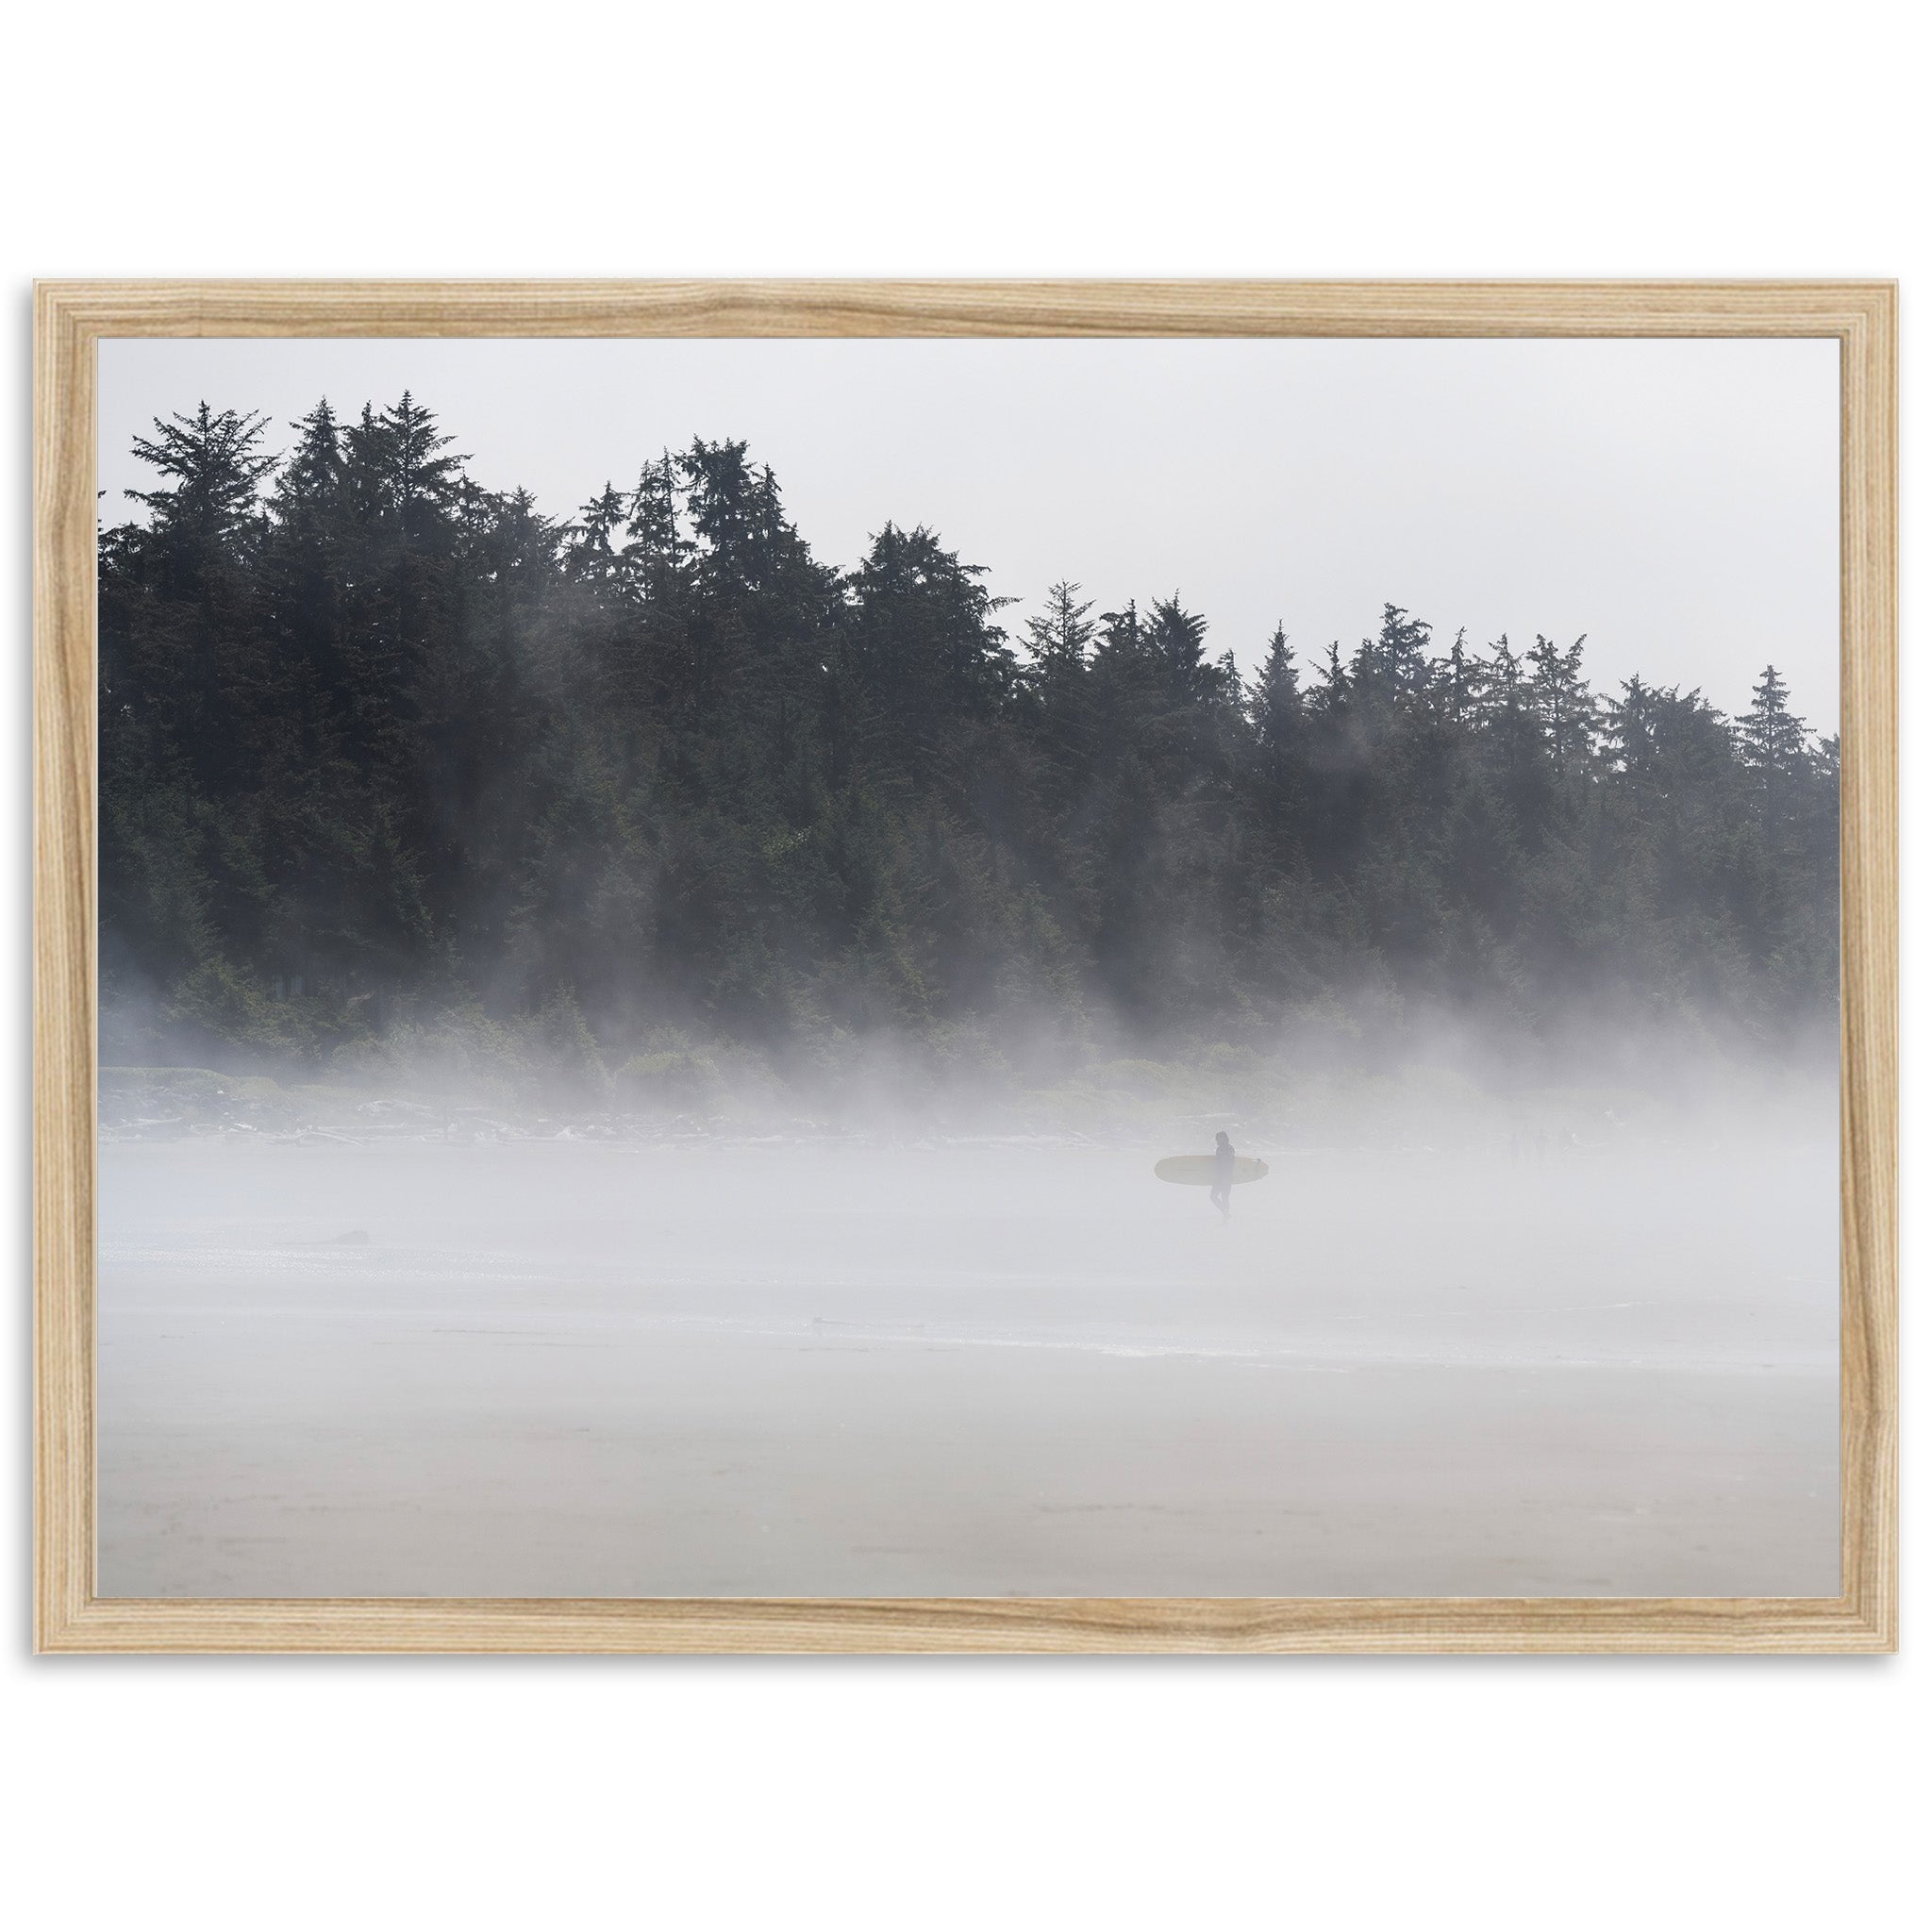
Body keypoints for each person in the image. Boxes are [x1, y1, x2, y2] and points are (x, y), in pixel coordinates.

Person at [1209, 1129, 1236, 1220]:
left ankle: (1226, 1215)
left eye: (1221, 1138)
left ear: (1225, 1138)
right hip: (1219, 1178)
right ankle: (1225, 1213)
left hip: (1226, 1178)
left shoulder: (1229, 1149)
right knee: (1214, 1196)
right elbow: (1218, 1164)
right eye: (1218, 1139)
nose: (1219, 1140)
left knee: (1224, 1197)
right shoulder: (1219, 1149)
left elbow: (1229, 1163)